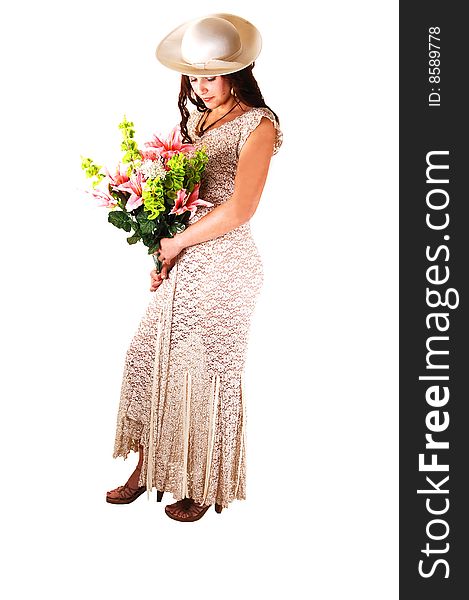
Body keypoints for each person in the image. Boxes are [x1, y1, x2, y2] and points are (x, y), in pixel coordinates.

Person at [106, 13, 283, 522]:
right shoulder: (195, 120)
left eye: (211, 76)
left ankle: (201, 480)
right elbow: (184, 193)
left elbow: (240, 207)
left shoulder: (259, 123)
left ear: (237, 71)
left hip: (227, 260)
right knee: (149, 355)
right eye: (194, 77)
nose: (201, 87)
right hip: (188, 252)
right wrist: (165, 250)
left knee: (206, 370)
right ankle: (150, 467)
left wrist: (178, 241)